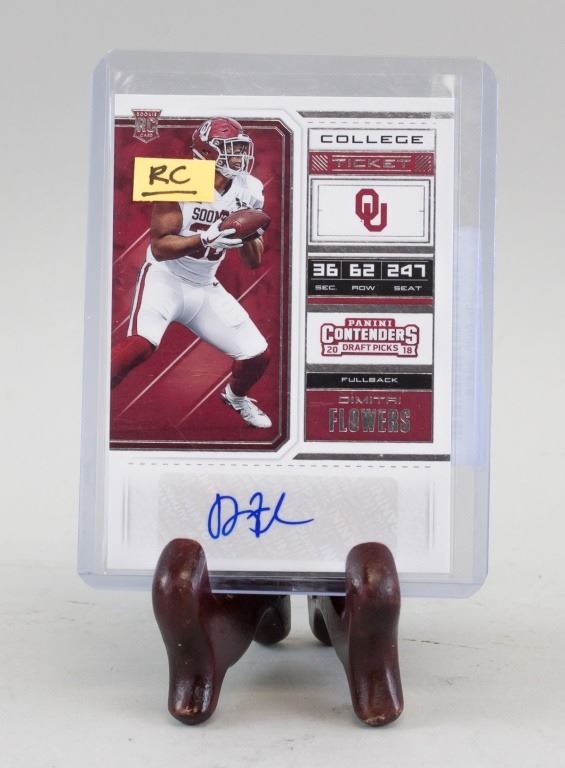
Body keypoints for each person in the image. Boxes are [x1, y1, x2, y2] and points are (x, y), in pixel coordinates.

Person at [111, 117, 272, 428]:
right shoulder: (178, 176)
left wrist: (246, 232)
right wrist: (206, 238)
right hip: (165, 277)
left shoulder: (250, 188)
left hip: (205, 284)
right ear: (207, 151)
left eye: (241, 148)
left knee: (257, 356)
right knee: (138, 347)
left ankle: (235, 397)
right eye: (231, 148)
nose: (240, 155)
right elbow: (160, 246)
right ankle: (90, 402)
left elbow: (253, 262)